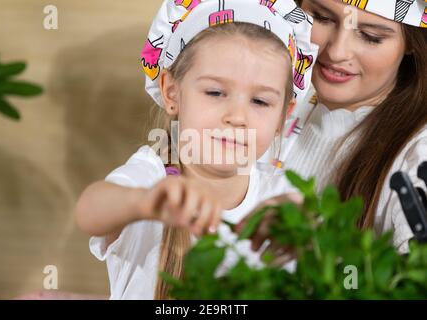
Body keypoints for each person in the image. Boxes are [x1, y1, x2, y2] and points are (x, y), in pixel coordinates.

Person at [75, 0, 318, 300]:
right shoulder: (152, 175)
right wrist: (144, 203)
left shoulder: (277, 191)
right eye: (215, 92)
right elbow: (90, 211)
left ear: (283, 114)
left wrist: (302, 230)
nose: (237, 116)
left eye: (260, 102)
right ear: (171, 92)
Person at [250, 0, 427, 255]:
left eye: (370, 36)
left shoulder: (417, 155)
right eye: (322, 18)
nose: (336, 52)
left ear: (411, 42)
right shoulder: (255, 98)